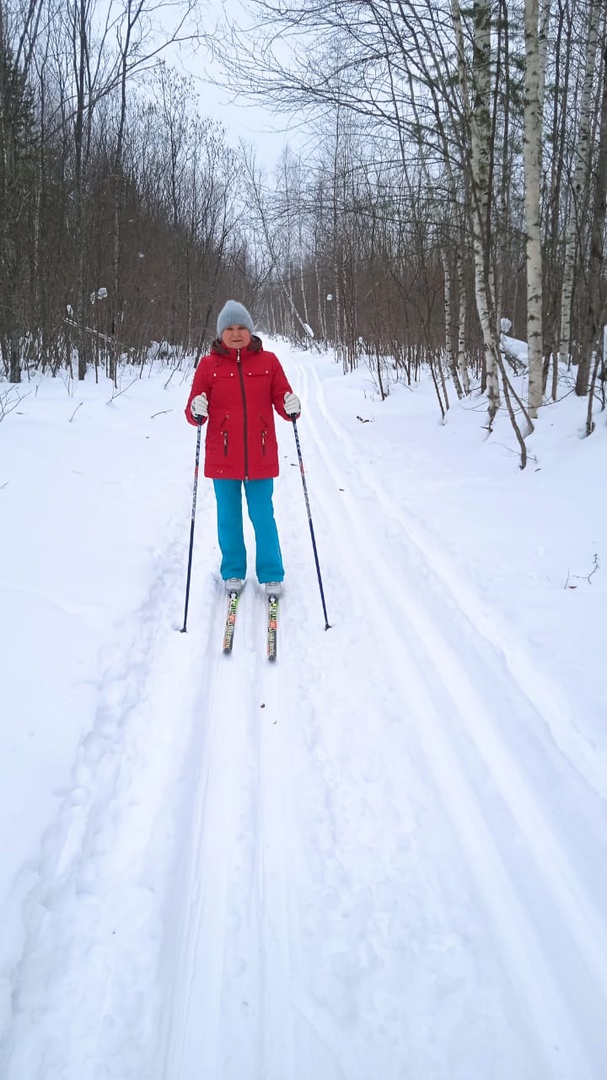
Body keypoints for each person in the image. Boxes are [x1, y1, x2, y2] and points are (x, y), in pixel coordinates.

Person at [185, 300, 301, 597]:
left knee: (263, 515)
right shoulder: (208, 366)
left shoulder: (269, 362)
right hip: (222, 455)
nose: (236, 334)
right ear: (220, 334)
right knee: (229, 517)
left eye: (241, 328)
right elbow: (193, 411)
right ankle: (233, 570)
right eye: (229, 329)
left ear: (250, 331)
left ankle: (272, 572)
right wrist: (197, 410)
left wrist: (291, 407)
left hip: (260, 454)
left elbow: (281, 399)